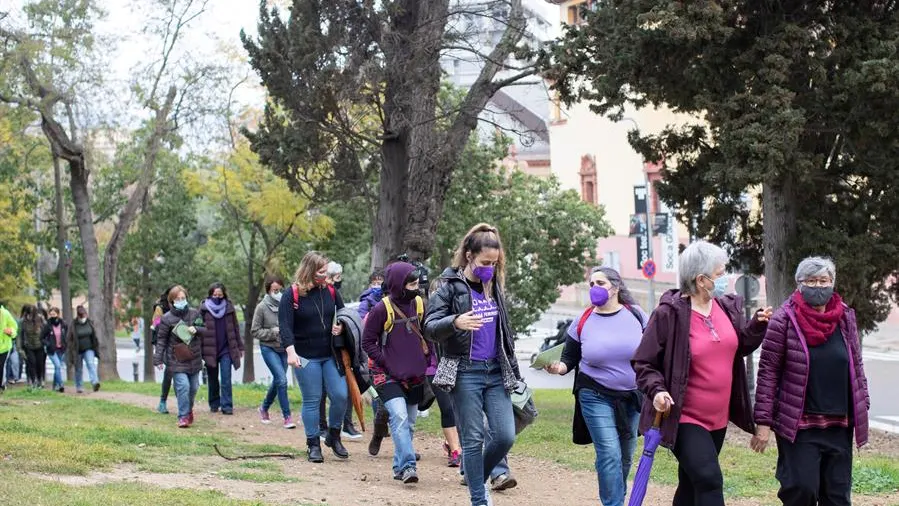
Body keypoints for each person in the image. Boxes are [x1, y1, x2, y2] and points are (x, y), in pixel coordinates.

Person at [632, 241, 773, 506]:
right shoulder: (668, 314)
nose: (725, 280)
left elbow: (737, 345)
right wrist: (657, 390)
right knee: (709, 479)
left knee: (690, 484)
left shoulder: (725, 308)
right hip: (685, 416)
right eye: (719, 275)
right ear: (701, 279)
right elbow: (644, 362)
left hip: (717, 419)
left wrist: (756, 326)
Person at [751, 257, 870, 506]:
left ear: (833, 283)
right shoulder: (784, 319)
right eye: (812, 281)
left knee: (837, 497)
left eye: (824, 281)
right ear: (799, 285)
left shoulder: (845, 317)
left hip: (839, 424)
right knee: (801, 491)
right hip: (800, 426)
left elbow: (856, 365)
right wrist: (763, 421)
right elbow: (768, 371)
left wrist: (863, 404)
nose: (818, 287)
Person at [424, 223, 521, 506]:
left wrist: (512, 366)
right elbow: (429, 326)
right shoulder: (448, 287)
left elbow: (503, 329)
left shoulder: (495, 286)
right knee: (473, 437)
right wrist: (454, 322)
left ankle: (474, 474)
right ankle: (479, 499)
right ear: (468, 256)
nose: (489, 268)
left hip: (495, 370)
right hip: (465, 371)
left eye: (494, 263)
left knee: (505, 436)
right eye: (484, 262)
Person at [545, 267, 647, 506]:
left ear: (616, 286)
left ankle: (616, 499)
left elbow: (653, 352)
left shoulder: (637, 315)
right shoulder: (583, 320)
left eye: (600, 283)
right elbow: (569, 360)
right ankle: (613, 504)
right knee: (609, 453)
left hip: (631, 397)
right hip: (594, 394)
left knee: (625, 454)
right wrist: (557, 368)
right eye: (591, 284)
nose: (594, 289)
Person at [363, 261, 434, 484]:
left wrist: (427, 360)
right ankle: (408, 466)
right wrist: (388, 362)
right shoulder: (381, 309)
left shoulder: (420, 304)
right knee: (400, 417)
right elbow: (367, 342)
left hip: (414, 375)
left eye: (416, 283)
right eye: (411, 283)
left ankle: (398, 466)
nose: (416, 287)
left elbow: (428, 335)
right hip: (388, 375)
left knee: (409, 423)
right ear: (397, 284)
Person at [280, 251, 350, 463]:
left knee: (340, 395)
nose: (325, 276)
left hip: (329, 353)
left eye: (326, 271)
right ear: (309, 271)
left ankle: (334, 434)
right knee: (312, 399)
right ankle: (313, 443)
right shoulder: (291, 294)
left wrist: (341, 326)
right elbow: (285, 326)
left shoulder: (330, 291)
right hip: (304, 355)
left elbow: (344, 314)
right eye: (321, 272)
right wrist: (291, 352)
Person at [153, 285, 204, 428]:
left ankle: (188, 410)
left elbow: (205, 329)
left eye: (183, 298)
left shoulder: (195, 314)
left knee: (193, 387)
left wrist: (197, 329)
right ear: (172, 301)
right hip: (176, 359)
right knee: (183, 386)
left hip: (194, 357)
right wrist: (158, 359)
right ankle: (183, 417)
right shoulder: (166, 318)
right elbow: (161, 339)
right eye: (177, 299)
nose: (181, 300)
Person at [253, 276, 296, 429]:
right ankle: (287, 417)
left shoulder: (287, 304)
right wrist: (272, 332)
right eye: (274, 290)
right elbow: (255, 331)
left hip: (284, 348)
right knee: (282, 380)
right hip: (268, 347)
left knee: (279, 380)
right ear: (268, 291)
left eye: (280, 290)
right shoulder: (261, 307)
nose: (278, 293)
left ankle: (264, 407)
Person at [199, 282, 243, 415]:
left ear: (224, 294)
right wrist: (199, 349)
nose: (217, 297)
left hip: (226, 349)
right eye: (214, 294)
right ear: (210, 294)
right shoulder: (203, 308)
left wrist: (240, 346)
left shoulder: (229, 308)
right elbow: (198, 329)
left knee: (226, 377)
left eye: (220, 294)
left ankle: (227, 406)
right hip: (210, 349)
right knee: (212, 378)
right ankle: (214, 403)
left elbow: (235, 327)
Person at [152, 286, 175, 414]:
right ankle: (162, 401)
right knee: (170, 370)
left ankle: (183, 402)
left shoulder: (182, 307)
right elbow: (156, 324)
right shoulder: (160, 307)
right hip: (164, 343)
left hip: (179, 343)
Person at [67, 305, 101, 393]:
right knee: (78, 369)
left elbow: (94, 335)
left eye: (84, 315)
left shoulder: (90, 322)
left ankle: (95, 382)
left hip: (89, 348)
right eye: (81, 316)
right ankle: (79, 386)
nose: (83, 317)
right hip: (77, 350)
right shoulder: (74, 324)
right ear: (78, 316)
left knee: (90, 363)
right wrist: (71, 348)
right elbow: (69, 338)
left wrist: (96, 345)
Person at [40, 306, 67, 392]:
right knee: (58, 365)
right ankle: (60, 384)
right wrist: (48, 344)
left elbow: (66, 335)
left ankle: (55, 386)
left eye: (54, 314)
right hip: (52, 350)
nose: (53, 316)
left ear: (58, 314)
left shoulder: (63, 324)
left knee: (57, 368)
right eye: (51, 314)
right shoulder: (47, 325)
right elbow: (41, 337)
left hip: (61, 349)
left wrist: (65, 344)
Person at [20, 305, 46, 389]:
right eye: (29, 313)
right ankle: (33, 380)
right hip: (29, 346)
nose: (30, 316)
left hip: (40, 346)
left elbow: (46, 330)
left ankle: (40, 379)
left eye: (32, 313)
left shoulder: (40, 319)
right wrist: (20, 348)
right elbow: (20, 335)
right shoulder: (23, 322)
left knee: (39, 364)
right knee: (32, 363)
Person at [0, 301, 17, 393]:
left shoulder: (5, 313)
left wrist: (11, 332)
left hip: (4, 346)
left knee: (1, 366)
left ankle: (2, 385)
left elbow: (14, 327)